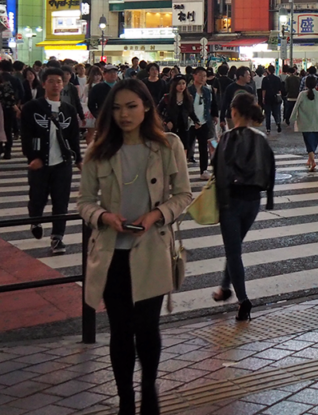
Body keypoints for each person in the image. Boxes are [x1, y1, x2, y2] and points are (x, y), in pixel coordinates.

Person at [77, 78, 192, 415]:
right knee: (120, 330)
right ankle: (126, 398)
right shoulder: (99, 149)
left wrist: (157, 214)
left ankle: (149, 390)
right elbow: (84, 202)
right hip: (112, 252)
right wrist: (103, 216)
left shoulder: (169, 145)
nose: (123, 115)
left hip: (152, 249)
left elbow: (183, 195)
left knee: (147, 328)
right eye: (116, 108)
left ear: (146, 107)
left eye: (130, 106)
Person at [211, 93, 275, 321]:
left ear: (234, 112)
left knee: (233, 251)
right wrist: (269, 197)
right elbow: (270, 168)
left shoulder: (228, 138)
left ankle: (243, 300)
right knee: (235, 246)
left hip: (231, 200)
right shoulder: (260, 138)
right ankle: (224, 287)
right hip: (253, 200)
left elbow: (218, 169)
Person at [22, 66, 83, 255]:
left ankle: (57, 238)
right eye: (51, 81)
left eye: (59, 81)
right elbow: (26, 135)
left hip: (62, 164)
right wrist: (33, 157)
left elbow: (73, 137)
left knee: (61, 202)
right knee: (37, 198)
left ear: (63, 84)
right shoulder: (32, 108)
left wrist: (78, 160)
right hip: (40, 164)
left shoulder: (69, 109)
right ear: (43, 84)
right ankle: (35, 219)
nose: (56, 85)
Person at [289, 76, 318, 172]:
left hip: (305, 122)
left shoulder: (302, 94)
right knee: (314, 142)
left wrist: (293, 118)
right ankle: (311, 160)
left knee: (309, 143)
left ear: (306, 84)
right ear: (316, 84)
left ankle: (312, 161)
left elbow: (296, 107)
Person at [186, 68, 215, 180]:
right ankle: (182, 170)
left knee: (203, 148)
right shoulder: (188, 90)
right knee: (187, 147)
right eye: (201, 75)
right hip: (190, 123)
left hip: (203, 122)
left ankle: (204, 170)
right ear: (194, 76)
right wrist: (193, 120)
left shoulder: (207, 91)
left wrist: (212, 117)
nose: (203, 78)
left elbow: (210, 105)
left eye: (205, 76)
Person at [159, 77, 194, 158]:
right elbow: (158, 111)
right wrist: (166, 121)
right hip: (171, 127)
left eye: (183, 83)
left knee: (184, 148)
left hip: (184, 127)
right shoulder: (167, 98)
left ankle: (182, 167)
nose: (181, 86)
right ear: (174, 85)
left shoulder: (189, 98)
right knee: (171, 149)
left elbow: (191, 112)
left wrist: (196, 121)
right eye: (179, 84)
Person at [0, 65, 15, 160]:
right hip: (5, 109)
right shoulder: (5, 85)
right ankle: (7, 151)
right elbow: (11, 98)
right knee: (7, 130)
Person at [260, 65, 284, 134]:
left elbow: (263, 90)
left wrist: (263, 98)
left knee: (268, 114)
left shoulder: (265, 79)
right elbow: (280, 90)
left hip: (268, 98)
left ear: (268, 71)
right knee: (276, 112)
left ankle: (268, 129)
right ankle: (278, 123)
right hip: (275, 98)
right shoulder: (277, 79)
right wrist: (280, 97)